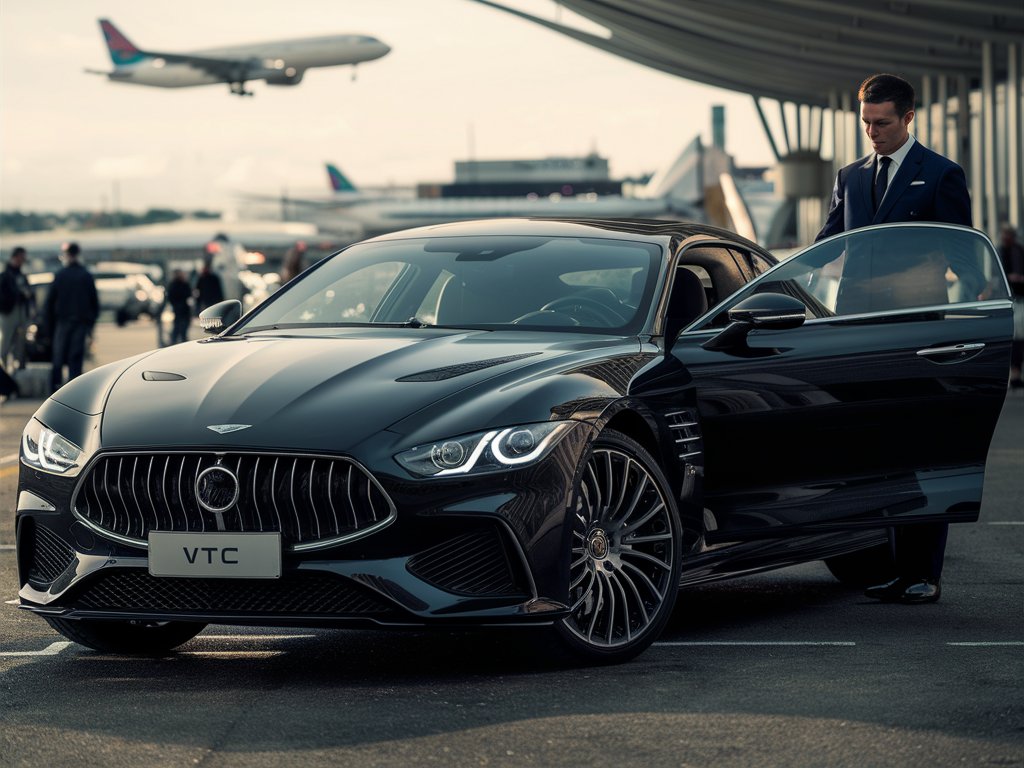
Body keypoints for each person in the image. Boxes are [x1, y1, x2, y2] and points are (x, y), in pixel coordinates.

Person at [817, 73, 972, 605]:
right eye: (865, 122)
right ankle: (888, 567)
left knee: (922, 454)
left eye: (882, 123)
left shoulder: (942, 175)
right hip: (856, 339)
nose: (872, 132)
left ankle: (923, 573)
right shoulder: (850, 176)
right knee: (875, 454)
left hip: (919, 338)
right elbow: (824, 247)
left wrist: (976, 329)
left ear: (908, 118)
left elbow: (966, 262)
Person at [43, 242, 99, 393]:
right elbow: (94, 302)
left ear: (67, 255)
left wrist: (47, 327)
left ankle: (55, 389)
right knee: (76, 357)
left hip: (62, 321)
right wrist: (91, 324)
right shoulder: (86, 275)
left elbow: (49, 302)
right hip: (80, 322)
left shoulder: (60, 275)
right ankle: (73, 391)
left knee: (58, 356)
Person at [0, 246, 35, 373]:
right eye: (22, 258)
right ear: (15, 257)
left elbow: (30, 293)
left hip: (21, 312)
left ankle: (18, 370)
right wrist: (20, 295)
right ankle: (3, 371)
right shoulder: (5, 275)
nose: (23, 260)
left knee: (20, 343)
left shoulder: (21, 275)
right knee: (6, 343)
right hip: (8, 312)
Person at [999, 225, 1024, 388]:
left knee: (1017, 337)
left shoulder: (1016, 250)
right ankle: (1014, 373)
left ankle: (1016, 373)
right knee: (1015, 337)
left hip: (1018, 298)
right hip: (1011, 299)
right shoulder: (1002, 251)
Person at [166, 269, 193, 345]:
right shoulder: (179, 284)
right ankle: (178, 341)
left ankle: (176, 341)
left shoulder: (180, 284)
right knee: (179, 327)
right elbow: (188, 294)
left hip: (182, 309)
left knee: (180, 327)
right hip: (181, 309)